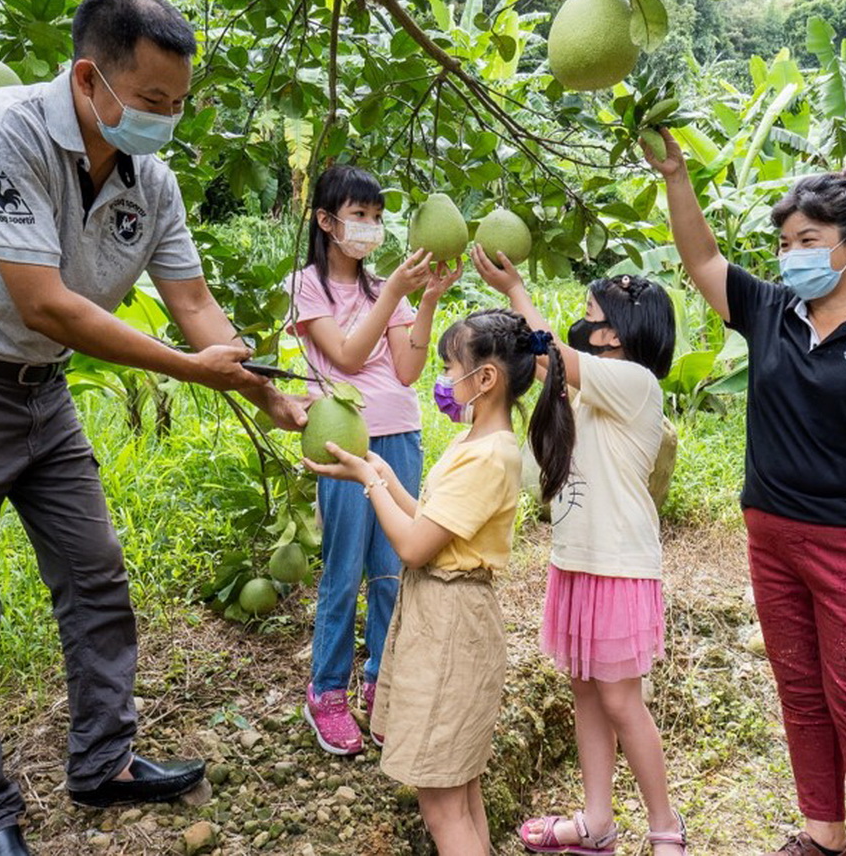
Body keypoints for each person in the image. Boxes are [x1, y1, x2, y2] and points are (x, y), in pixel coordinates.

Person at [0, 0, 305, 856]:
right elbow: (47, 305)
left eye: (179, 105)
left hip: (39, 389)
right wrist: (191, 371)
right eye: (152, 102)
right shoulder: (4, 129)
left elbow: (192, 300)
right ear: (89, 77)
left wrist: (260, 385)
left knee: (96, 574)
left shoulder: (153, 177)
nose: (166, 120)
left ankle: (103, 760)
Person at [644, 129, 846, 856]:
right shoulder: (769, 313)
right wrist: (675, 176)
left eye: (808, 239)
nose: (792, 255)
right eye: (785, 242)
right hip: (774, 539)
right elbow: (701, 256)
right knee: (803, 691)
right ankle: (822, 832)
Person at [304, 308, 575, 855]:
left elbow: (411, 546)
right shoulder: (478, 445)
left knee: (441, 803)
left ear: (486, 379)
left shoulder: (488, 457)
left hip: (452, 630)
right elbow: (429, 520)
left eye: (452, 367)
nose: (444, 379)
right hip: (445, 621)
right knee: (461, 789)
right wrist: (377, 472)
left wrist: (366, 480)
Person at [473, 249, 689, 855]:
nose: (579, 320)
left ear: (614, 331)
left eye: (590, 312)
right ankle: (596, 824)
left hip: (619, 565)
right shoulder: (590, 388)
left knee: (620, 698)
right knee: (587, 692)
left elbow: (548, 355)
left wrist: (516, 287)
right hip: (577, 561)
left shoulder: (634, 383)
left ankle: (666, 830)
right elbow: (547, 369)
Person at [285, 164, 461, 755]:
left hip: (400, 437)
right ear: (327, 221)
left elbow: (408, 369)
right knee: (343, 572)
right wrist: (393, 294)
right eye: (359, 215)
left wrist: (428, 299)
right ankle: (326, 691)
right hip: (344, 443)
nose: (370, 227)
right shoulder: (306, 285)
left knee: (392, 569)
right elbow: (349, 357)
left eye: (377, 217)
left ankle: (378, 684)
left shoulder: (382, 287)